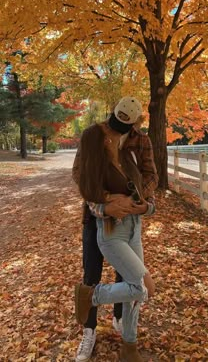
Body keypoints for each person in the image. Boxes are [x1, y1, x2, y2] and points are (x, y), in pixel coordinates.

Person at [73, 97, 157, 361]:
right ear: (112, 113)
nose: (116, 129)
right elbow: (80, 174)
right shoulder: (93, 136)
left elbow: (151, 175)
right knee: (92, 272)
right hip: (98, 218)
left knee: (129, 278)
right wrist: (106, 202)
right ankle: (89, 329)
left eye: (124, 125)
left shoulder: (140, 141)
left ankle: (121, 322)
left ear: (134, 124)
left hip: (130, 220)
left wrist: (136, 200)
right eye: (115, 121)